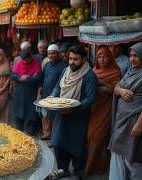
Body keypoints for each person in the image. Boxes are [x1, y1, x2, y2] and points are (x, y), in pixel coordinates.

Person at [49, 45, 98, 179]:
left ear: (83, 59)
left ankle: (78, 174)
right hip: (62, 114)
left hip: (79, 116)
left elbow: (90, 98)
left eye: (75, 59)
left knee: (77, 147)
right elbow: (57, 87)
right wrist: (52, 96)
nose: (72, 62)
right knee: (58, 143)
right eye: (70, 59)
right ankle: (63, 169)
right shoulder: (66, 71)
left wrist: (73, 106)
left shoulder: (89, 76)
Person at [85, 47, 121, 175]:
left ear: (110, 58)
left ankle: (97, 167)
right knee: (89, 137)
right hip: (93, 109)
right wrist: (100, 87)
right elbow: (87, 88)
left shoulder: (116, 72)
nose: (102, 59)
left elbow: (117, 90)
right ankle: (88, 166)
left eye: (105, 57)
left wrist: (103, 85)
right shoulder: (94, 71)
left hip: (106, 110)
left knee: (99, 137)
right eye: (99, 57)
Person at [108, 42, 142, 180]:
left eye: (136, 56)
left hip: (134, 122)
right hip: (121, 120)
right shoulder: (131, 71)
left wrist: (139, 125)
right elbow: (116, 87)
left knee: (132, 156)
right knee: (117, 152)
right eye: (131, 55)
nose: (132, 59)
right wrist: (121, 91)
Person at [11, 49, 42, 135]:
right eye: (23, 59)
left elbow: (38, 78)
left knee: (31, 113)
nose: (24, 61)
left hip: (32, 91)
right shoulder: (20, 63)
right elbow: (13, 75)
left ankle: (30, 132)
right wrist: (20, 77)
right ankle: (19, 131)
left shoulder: (35, 63)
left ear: (30, 57)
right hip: (20, 91)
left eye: (26, 59)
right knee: (19, 111)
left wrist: (27, 78)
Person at [40, 44, 68, 140]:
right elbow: (43, 78)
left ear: (58, 54)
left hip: (57, 94)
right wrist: (40, 91)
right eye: (49, 54)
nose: (50, 55)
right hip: (45, 93)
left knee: (55, 116)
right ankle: (46, 133)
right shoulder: (47, 65)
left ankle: (55, 137)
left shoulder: (64, 66)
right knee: (45, 115)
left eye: (53, 53)